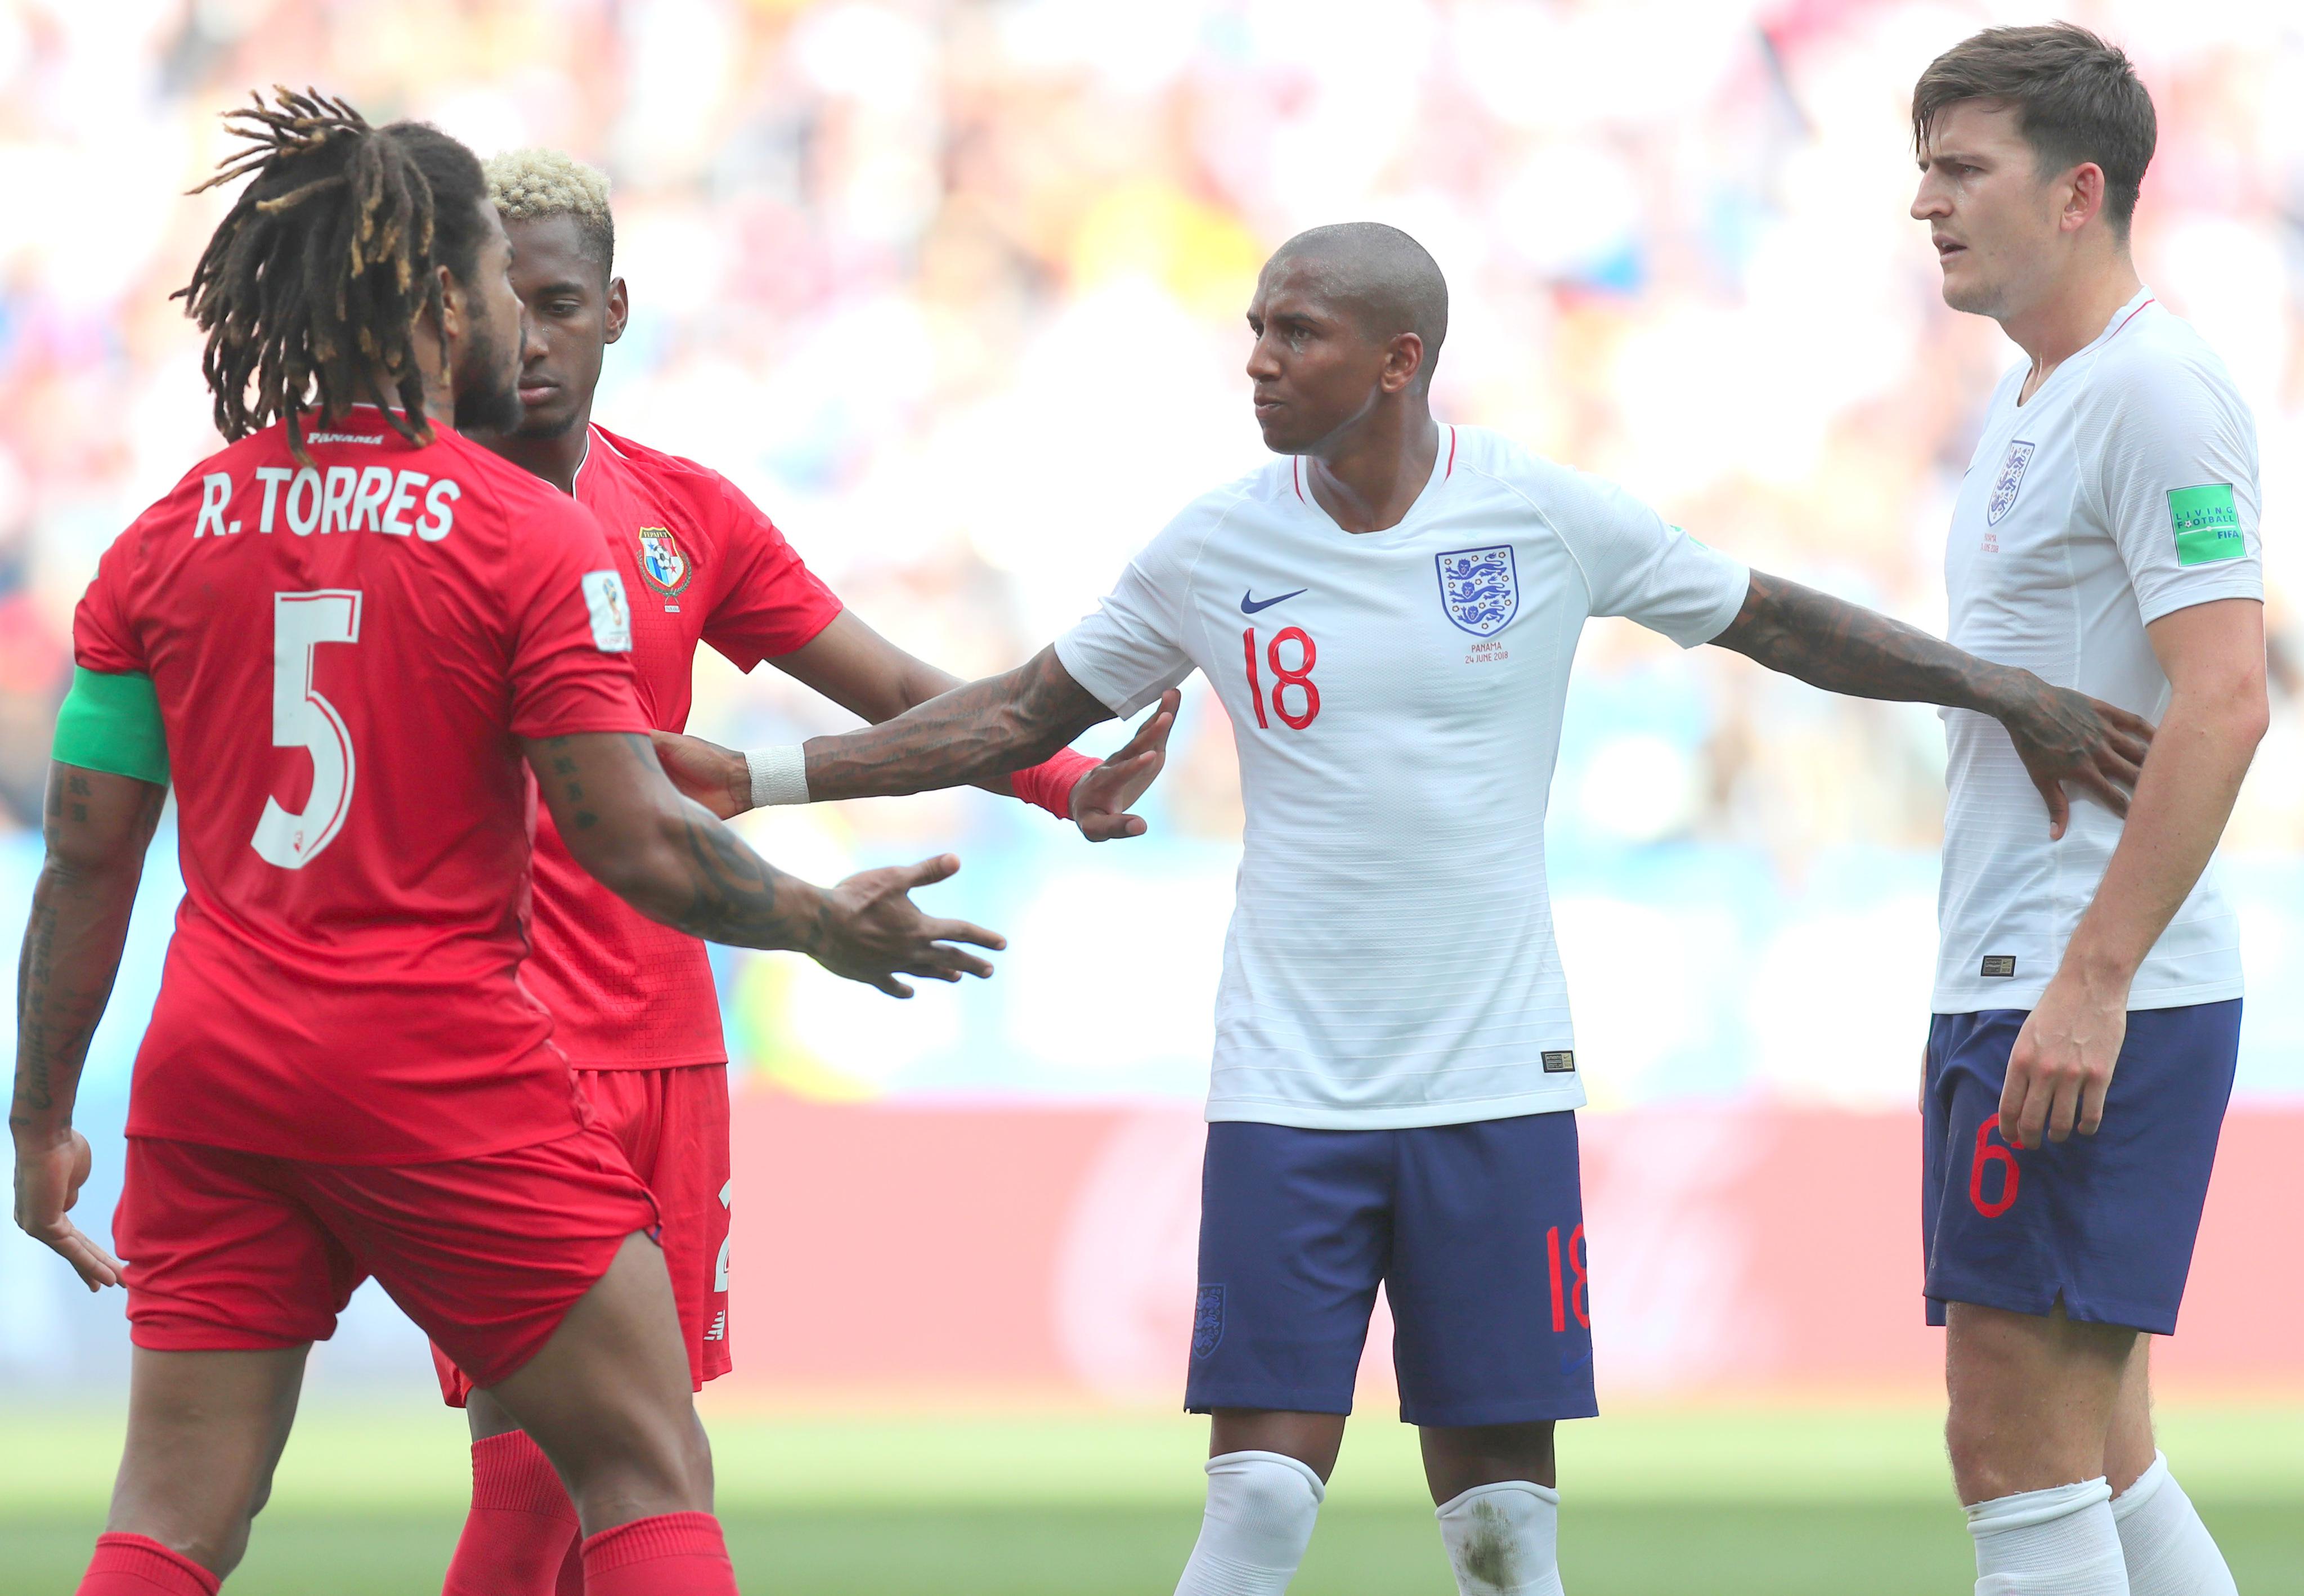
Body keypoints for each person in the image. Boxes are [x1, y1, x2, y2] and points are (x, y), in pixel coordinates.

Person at [651, 221, 2155, 1596]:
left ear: (1397, 362)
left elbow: (1776, 619)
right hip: (1287, 1083)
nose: (1257, 358)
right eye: (1252, 327)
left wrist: (1995, 684)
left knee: (1503, 1532)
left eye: (1294, 332)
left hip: (1493, 1079)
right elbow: (1004, 713)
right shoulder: (1210, 545)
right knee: (1253, 1505)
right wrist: (763, 768)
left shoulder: (1539, 515)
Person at [9, 90, 999, 1596]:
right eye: (485, 274)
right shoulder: (520, 533)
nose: (506, 313)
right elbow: (637, 843)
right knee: (642, 1466)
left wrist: (41, 1119)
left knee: (168, 1515)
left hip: (212, 1071)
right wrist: (817, 921)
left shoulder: (163, 539)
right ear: (431, 296)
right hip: (433, 1059)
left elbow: (89, 860)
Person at [427, 147, 1166, 1596]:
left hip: (669, 1044)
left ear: (618, 308)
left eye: (561, 301)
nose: (530, 337)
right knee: (549, 1452)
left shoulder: (683, 514)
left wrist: (1063, 777)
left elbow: (885, 678)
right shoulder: (426, 513)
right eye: (500, 303)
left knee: (635, 1456)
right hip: (500, 1041)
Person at [1906, 26, 2265, 1596]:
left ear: (2075, 193)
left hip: (2072, 987)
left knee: (2007, 1440)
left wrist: (2090, 975)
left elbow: (2225, 693)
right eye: (1921, 169)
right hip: (2026, 968)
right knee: (2100, 1451)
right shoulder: (2038, 395)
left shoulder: (2154, 393)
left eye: (1957, 167)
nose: (1923, 202)